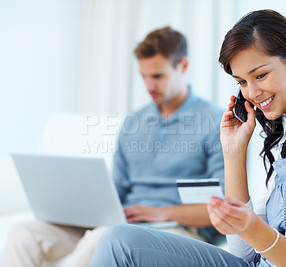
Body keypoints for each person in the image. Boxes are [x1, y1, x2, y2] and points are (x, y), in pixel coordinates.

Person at [89, 9, 286, 267]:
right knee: (116, 239)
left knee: (119, 241)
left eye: (260, 75)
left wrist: (251, 226)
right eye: (242, 82)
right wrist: (234, 152)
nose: (251, 93)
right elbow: (242, 253)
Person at [0, 26, 225, 267]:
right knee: (23, 235)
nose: (149, 86)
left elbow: (223, 206)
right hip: (123, 221)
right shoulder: (133, 123)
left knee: (101, 239)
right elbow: (116, 190)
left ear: (183, 66)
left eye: (158, 76)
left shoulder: (215, 121)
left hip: (175, 229)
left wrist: (161, 212)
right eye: (143, 76)